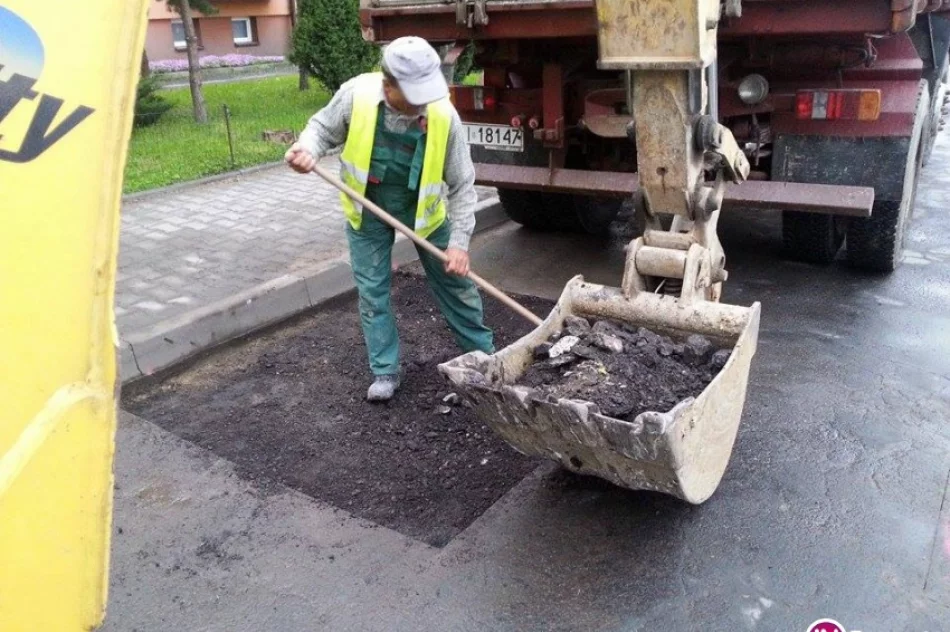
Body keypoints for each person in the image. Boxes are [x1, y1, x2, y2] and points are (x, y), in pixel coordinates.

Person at [285, 36, 494, 402]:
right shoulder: (357, 96)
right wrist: (306, 150)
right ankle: (385, 371)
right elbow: (321, 129)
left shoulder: (443, 115)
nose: (422, 104)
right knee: (373, 292)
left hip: (424, 214)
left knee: (458, 287)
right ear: (388, 86)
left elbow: (462, 185)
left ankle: (486, 361)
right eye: (414, 96)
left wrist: (459, 244)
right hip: (367, 209)